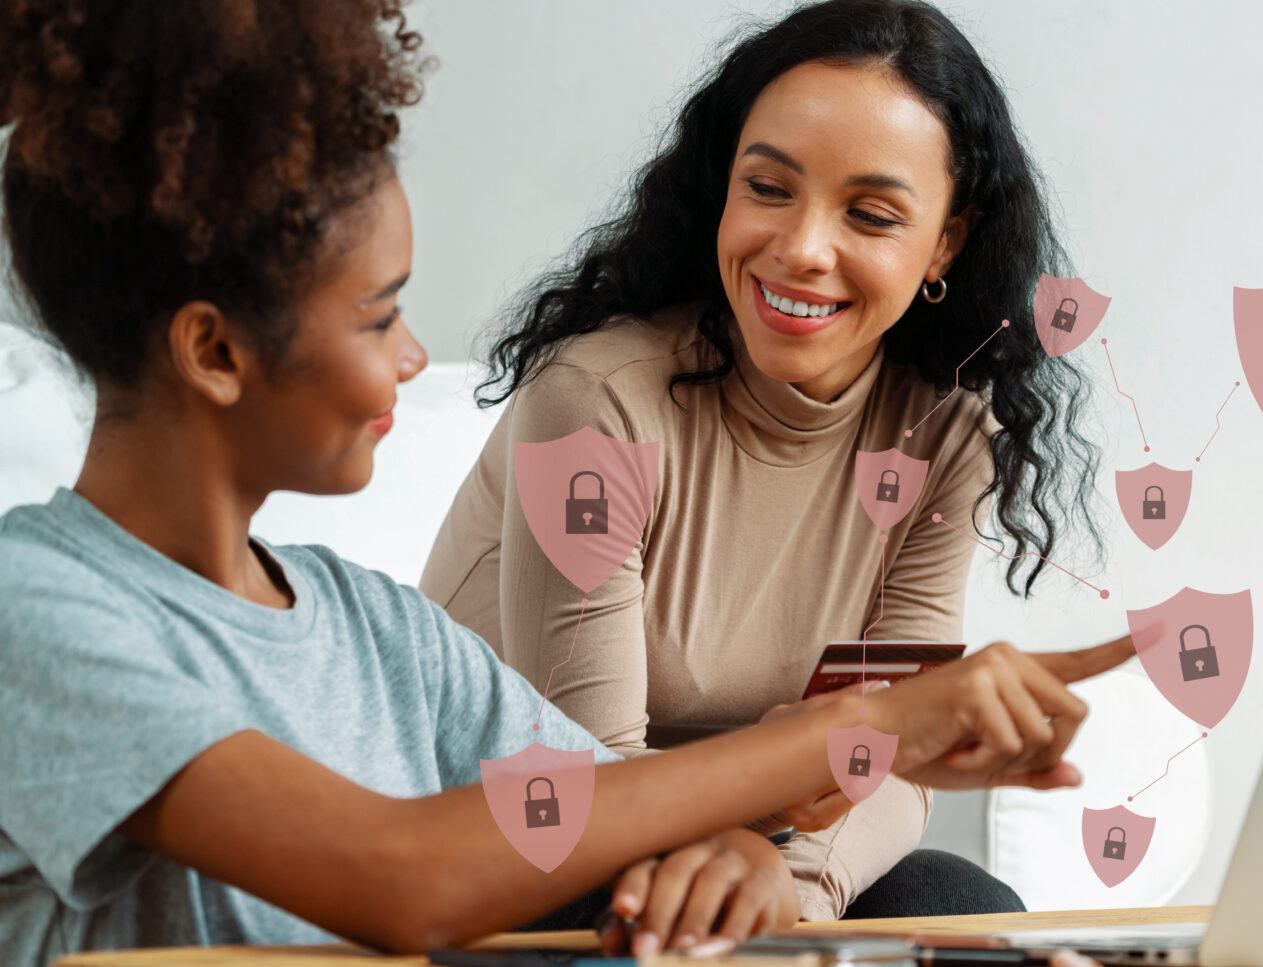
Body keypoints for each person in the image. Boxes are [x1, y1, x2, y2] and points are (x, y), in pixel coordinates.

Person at [0, 1, 1120, 964]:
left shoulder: (381, 630)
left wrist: (747, 847)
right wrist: (862, 728)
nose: (410, 355)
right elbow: (404, 875)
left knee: (949, 915)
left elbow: (598, 818)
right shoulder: (37, 609)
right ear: (216, 353)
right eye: (380, 315)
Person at [421, 0, 1110, 922]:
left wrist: (794, 904)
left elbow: (896, 765)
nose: (800, 249)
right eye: (769, 188)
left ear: (946, 239)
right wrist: (767, 859)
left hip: (753, 841)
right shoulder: (597, 403)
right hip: (520, 837)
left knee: (958, 897)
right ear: (725, 188)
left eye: (869, 213)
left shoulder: (945, 437)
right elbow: (586, 782)